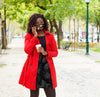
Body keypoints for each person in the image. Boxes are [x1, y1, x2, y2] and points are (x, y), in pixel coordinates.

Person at [18, 13, 58, 97]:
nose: (40, 24)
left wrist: (46, 53)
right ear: (32, 25)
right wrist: (35, 36)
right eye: (37, 23)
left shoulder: (50, 36)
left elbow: (55, 52)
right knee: (34, 95)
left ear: (45, 23)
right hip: (34, 70)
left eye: (41, 22)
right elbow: (27, 50)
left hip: (47, 70)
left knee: (51, 94)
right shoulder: (29, 36)